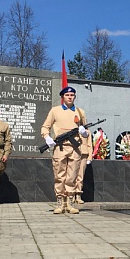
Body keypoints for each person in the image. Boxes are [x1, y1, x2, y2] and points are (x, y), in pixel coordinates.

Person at [41, 86, 89, 214]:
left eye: (72, 95)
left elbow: (86, 130)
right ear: (62, 97)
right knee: (59, 175)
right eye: (67, 95)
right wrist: (47, 137)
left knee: (72, 176)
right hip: (60, 147)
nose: (70, 97)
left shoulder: (80, 112)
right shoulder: (55, 111)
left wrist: (84, 133)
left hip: (75, 148)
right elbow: (45, 127)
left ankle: (70, 203)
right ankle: (60, 202)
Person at [73, 132, 93, 205]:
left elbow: (89, 145)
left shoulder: (86, 131)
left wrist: (90, 157)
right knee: (72, 175)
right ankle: (71, 195)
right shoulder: (72, 128)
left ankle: (78, 194)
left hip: (84, 154)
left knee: (80, 175)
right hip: (74, 152)